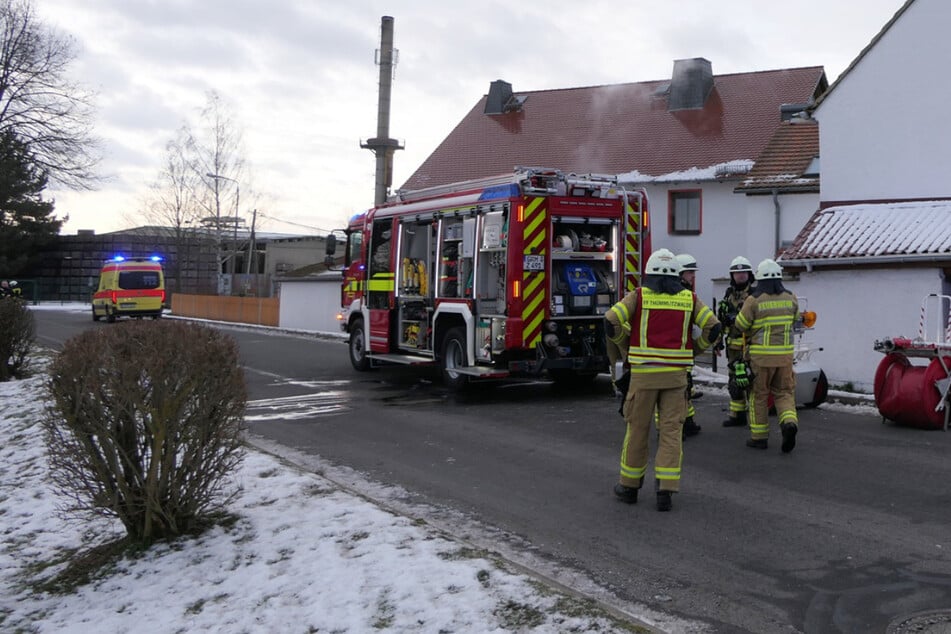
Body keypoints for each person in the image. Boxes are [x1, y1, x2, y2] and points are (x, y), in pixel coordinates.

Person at [606, 248, 721, 511]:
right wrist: (694, 349)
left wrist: (626, 345)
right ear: (676, 275)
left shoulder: (639, 296)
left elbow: (610, 320)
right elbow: (713, 327)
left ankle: (629, 488)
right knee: (671, 433)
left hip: (643, 377)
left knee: (637, 431)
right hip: (676, 378)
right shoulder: (689, 299)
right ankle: (665, 492)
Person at [734, 258, 799, 453]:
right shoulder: (791, 298)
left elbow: (741, 325)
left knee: (759, 396)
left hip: (760, 359)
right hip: (785, 358)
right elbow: (796, 320)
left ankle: (759, 437)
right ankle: (789, 423)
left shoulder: (754, 300)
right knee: (784, 393)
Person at [718, 256, 754, 427]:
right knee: (734, 383)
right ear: (732, 275)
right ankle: (737, 415)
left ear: (749, 274)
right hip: (732, 348)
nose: (740, 276)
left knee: (748, 382)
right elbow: (721, 322)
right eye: (737, 273)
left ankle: (756, 418)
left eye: (743, 272)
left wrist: (738, 318)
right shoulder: (728, 294)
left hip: (749, 347)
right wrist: (718, 341)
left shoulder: (754, 295)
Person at [676, 253, 702, 438]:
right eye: (689, 272)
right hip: (677, 351)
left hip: (683, 349)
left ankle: (689, 422)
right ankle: (677, 427)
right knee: (677, 390)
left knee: (686, 386)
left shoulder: (686, 292)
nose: (693, 275)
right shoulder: (680, 294)